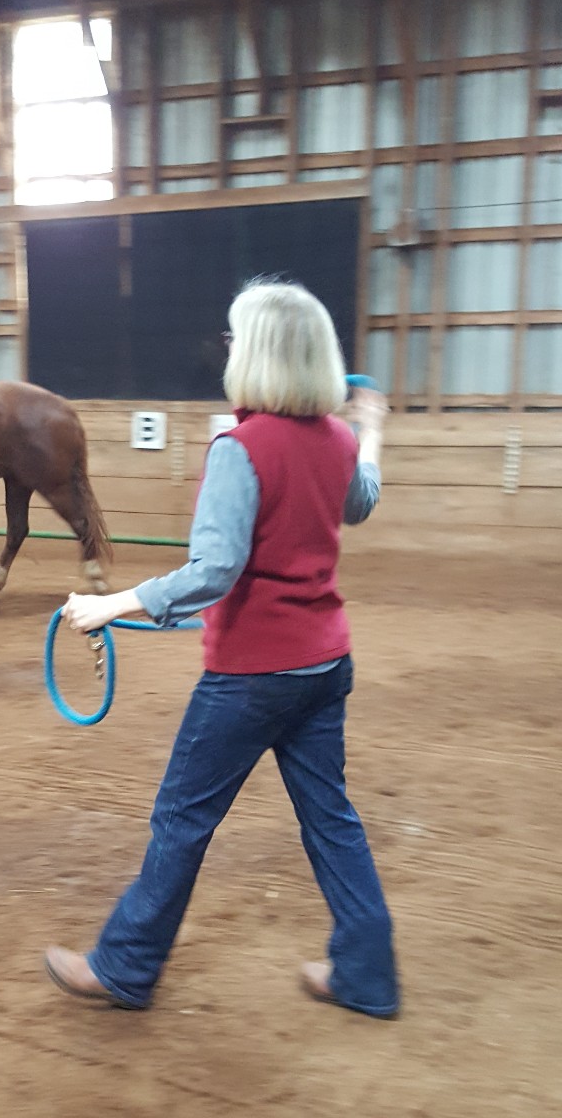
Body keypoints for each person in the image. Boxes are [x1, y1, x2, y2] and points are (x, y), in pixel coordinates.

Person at [44, 279, 399, 1019]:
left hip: (253, 675)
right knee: (330, 817)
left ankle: (125, 966)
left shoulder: (241, 446)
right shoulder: (333, 439)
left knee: (182, 817)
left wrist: (109, 604)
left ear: (260, 353)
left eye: (237, 339)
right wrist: (370, 424)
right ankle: (367, 973)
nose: (229, 350)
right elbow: (361, 498)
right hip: (325, 665)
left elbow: (215, 570)